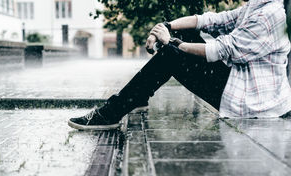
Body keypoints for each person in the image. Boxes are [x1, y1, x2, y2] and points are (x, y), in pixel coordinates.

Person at [68, 0, 291, 130]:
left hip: (251, 101)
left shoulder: (269, 16)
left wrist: (172, 42)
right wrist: (165, 26)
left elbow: (221, 50)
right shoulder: (257, 5)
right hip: (239, 84)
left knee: (171, 55)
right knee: (181, 35)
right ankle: (138, 97)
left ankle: (112, 112)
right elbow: (211, 20)